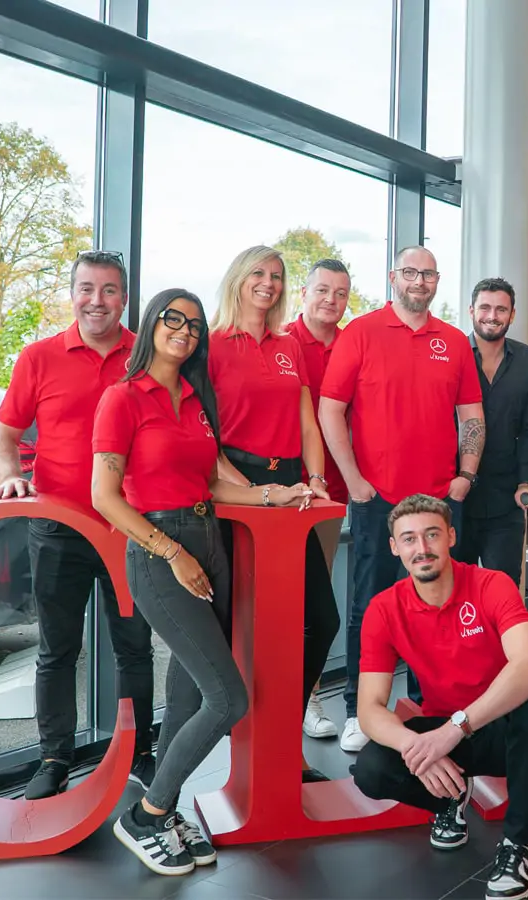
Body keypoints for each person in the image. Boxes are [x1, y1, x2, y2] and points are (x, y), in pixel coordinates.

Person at [92, 288, 310, 876]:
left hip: (210, 541)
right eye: (172, 319)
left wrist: (273, 492)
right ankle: (145, 814)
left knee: (188, 694)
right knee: (228, 698)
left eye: (193, 325)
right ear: (151, 324)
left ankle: (165, 814)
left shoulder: (193, 398)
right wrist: (170, 552)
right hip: (161, 550)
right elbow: (104, 497)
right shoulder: (122, 398)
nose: (184, 331)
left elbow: (214, 480)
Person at [0, 249, 156, 800]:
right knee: (57, 650)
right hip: (59, 528)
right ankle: (54, 758)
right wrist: (10, 476)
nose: (97, 300)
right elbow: (3, 436)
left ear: (124, 298)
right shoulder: (38, 358)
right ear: (73, 293)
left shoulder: (148, 357)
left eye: (109, 290)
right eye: (87, 288)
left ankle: (139, 752)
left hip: (130, 527)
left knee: (134, 646)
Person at [319, 246, 485, 753]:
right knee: (369, 605)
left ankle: (430, 708)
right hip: (378, 501)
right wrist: (355, 481)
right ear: (394, 277)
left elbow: (472, 415)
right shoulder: (361, 333)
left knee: (435, 604)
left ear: (437, 281)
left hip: (438, 500)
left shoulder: (454, 341)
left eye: (428, 274)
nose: (420, 281)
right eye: (411, 272)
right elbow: (330, 411)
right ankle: (356, 710)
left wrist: (465, 476)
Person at [350, 494, 528, 900]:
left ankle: (516, 846)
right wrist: (416, 746)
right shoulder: (383, 609)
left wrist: (456, 729)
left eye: (431, 536)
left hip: (500, 729)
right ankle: (450, 796)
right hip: (447, 731)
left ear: (451, 538)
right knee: (372, 768)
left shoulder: (491, 584)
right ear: (394, 547)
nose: (421, 549)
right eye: (408, 539)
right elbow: (369, 710)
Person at [206, 245, 339, 782]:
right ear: (237, 278)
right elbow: (201, 429)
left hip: (292, 489)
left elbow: (308, 420)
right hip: (237, 489)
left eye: (277, 277)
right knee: (250, 629)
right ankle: (259, 754)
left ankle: (284, 737)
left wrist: (315, 479)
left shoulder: (289, 346)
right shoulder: (210, 345)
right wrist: (242, 489)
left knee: (318, 620)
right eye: (259, 274)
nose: (269, 283)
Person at [289, 257, 352, 740]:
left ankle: (306, 698)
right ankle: (287, 704)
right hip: (285, 492)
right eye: (323, 290)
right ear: (304, 293)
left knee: (315, 602)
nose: (331, 300)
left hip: (335, 491)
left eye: (341, 292)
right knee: (285, 603)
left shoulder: (355, 342)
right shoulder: (284, 342)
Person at [454, 277, 528, 585]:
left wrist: (527, 482)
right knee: (453, 589)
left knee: (502, 589)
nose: (492, 315)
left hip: (506, 497)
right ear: (471, 311)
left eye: (501, 309)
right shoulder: (453, 355)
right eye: (485, 308)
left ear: (512, 315)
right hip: (455, 495)